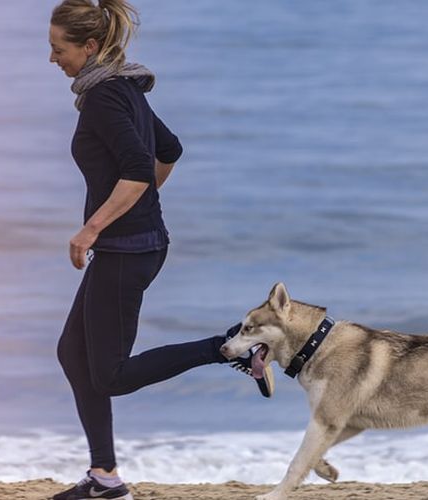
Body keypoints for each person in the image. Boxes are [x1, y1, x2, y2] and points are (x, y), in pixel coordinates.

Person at [48, 1, 273, 499]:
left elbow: (135, 168)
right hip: (135, 244)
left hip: (129, 250)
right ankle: (104, 478)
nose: (52, 58)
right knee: (73, 353)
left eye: (58, 48)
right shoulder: (121, 86)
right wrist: (140, 203)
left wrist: (93, 228)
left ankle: (232, 345)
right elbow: (167, 150)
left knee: (109, 376)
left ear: (88, 47)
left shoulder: (108, 96)